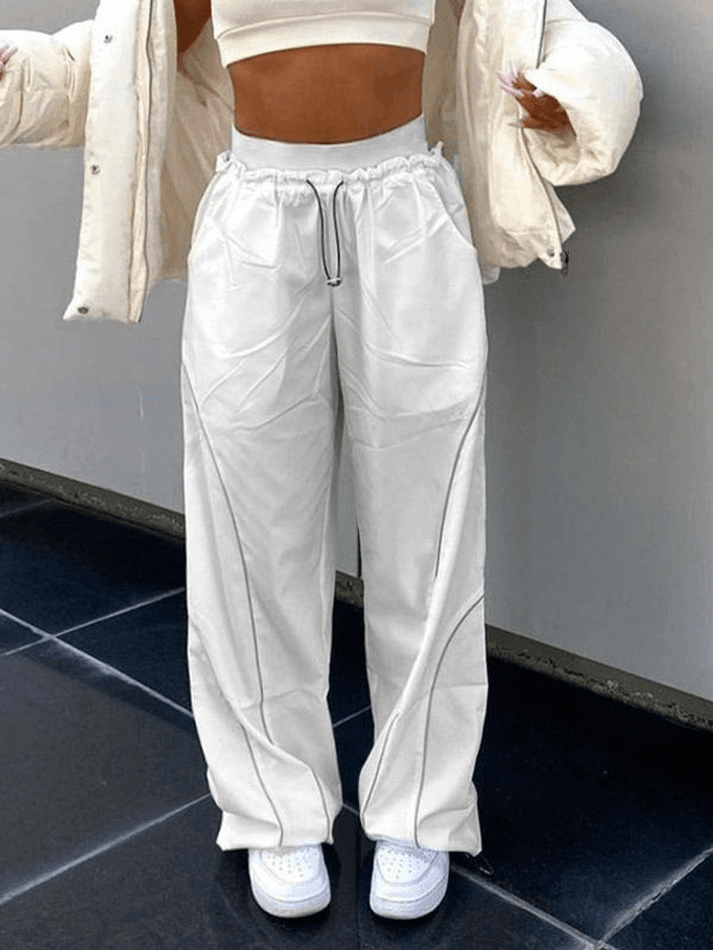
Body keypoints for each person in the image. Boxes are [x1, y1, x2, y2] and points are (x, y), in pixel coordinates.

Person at [0, 0, 642, 923]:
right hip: (254, 220)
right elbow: (125, 58)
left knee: (430, 528)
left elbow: (532, 25)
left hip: (406, 211)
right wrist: (18, 73)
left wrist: (575, 91)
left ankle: (420, 809)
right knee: (247, 531)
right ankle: (275, 810)